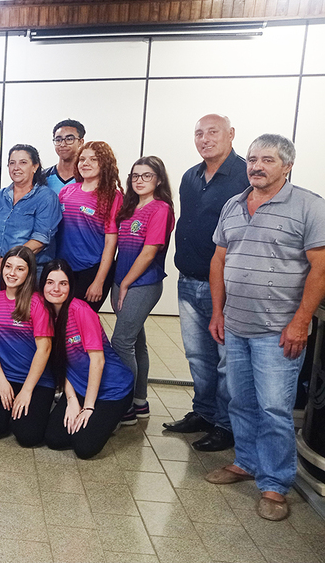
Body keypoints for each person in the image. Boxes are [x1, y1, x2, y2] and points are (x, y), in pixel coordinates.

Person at [205, 134, 325, 522]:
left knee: (274, 407)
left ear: (287, 165)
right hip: (236, 323)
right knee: (240, 400)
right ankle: (246, 461)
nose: (256, 166)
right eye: (253, 159)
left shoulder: (308, 206)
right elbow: (219, 260)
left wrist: (301, 321)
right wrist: (217, 311)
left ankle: (275, 484)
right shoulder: (234, 205)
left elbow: (320, 268)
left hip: (279, 330)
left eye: (267, 160)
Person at [163, 114, 248, 453]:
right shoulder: (190, 176)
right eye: (199, 133)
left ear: (231, 134)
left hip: (225, 286)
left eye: (213, 132)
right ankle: (204, 412)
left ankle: (226, 426)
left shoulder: (244, 176)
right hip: (188, 280)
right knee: (199, 356)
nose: (205, 139)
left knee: (227, 360)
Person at [41, 260, 135, 459]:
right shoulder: (44, 315)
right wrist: (72, 399)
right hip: (80, 387)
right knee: (54, 439)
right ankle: (96, 418)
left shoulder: (81, 311)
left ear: (70, 286)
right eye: (50, 282)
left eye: (63, 283)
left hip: (113, 389)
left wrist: (88, 407)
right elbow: (58, 363)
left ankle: (111, 418)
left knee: (84, 448)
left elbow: (98, 361)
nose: (55, 289)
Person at [110, 156, 175, 426]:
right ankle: (139, 402)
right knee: (136, 342)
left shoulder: (160, 208)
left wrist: (125, 283)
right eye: (135, 176)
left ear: (158, 179)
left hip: (142, 283)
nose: (139, 180)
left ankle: (122, 407)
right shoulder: (129, 207)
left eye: (147, 176)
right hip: (120, 280)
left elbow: (150, 251)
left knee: (121, 343)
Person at [0, 246, 55, 446]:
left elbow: (44, 349)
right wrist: (0, 379)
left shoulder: (37, 303)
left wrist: (27, 391)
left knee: (28, 437)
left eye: (20, 269)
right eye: (8, 266)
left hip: (35, 380)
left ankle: (42, 406)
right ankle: (7, 410)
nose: (12, 273)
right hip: (3, 376)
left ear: (29, 273)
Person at [0, 144, 61, 293]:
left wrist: (10, 263)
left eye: (23, 162)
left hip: (31, 272)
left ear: (35, 166)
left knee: (26, 315)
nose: (16, 167)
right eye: (12, 163)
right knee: (0, 314)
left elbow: (40, 239)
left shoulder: (46, 197)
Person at [55, 141, 123, 312]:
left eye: (93, 159)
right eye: (82, 159)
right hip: (63, 268)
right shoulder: (67, 191)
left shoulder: (112, 197)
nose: (86, 163)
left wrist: (99, 281)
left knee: (80, 322)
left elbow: (110, 243)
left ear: (105, 164)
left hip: (91, 270)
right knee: (60, 320)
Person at [43, 119, 86, 196]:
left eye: (69, 139)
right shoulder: (43, 177)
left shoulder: (87, 177)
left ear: (80, 142)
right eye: (58, 140)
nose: (63, 144)